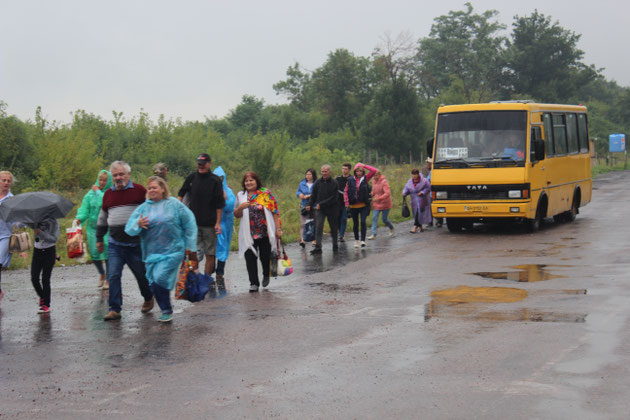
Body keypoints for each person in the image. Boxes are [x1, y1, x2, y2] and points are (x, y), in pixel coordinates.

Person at [125, 176, 197, 323]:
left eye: (155, 187)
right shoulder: (143, 208)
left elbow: (189, 223)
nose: (151, 190)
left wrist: (190, 246)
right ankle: (166, 307)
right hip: (151, 253)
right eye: (149, 188)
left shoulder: (174, 205)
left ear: (162, 189)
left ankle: (166, 309)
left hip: (173, 250)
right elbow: (129, 229)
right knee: (153, 283)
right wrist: (137, 224)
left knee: (160, 278)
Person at [96, 161, 154, 321]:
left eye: (121, 174)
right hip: (115, 244)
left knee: (142, 275)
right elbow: (103, 217)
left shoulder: (139, 191)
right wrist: (99, 238)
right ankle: (115, 309)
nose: (118, 178)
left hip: (136, 244)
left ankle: (149, 297)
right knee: (113, 275)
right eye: (115, 175)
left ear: (128, 174)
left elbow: (151, 210)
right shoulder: (108, 194)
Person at [177, 153, 225, 278]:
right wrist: (178, 209)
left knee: (210, 254)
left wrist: (218, 223)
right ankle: (195, 278)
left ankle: (207, 279)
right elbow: (181, 192)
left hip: (210, 224)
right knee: (194, 254)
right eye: (199, 164)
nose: (201, 166)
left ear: (209, 164)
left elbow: (220, 204)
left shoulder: (215, 180)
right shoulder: (192, 178)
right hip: (193, 223)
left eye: (203, 164)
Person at [234, 172, 282, 292]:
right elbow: (236, 214)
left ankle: (266, 273)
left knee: (265, 257)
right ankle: (253, 283)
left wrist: (278, 229)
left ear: (256, 181)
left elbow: (274, 211)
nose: (248, 183)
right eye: (246, 181)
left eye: (251, 180)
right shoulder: (241, 195)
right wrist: (240, 207)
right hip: (248, 233)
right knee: (250, 258)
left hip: (265, 232)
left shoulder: (265, 193)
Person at [75, 170, 113, 289]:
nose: (102, 182)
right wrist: (79, 219)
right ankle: (102, 273)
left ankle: (109, 279)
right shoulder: (89, 194)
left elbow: (106, 202)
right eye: (100, 180)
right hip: (92, 228)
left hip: (107, 228)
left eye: (105, 180)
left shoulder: (111, 192)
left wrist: (97, 192)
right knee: (94, 254)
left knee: (107, 254)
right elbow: (84, 209)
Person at [28, 216, 59, 314]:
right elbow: (30, 225)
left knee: (45, 279)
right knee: (34, 278)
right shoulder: (36, 219)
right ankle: (42, 296)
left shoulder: (54, 221)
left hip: (49, 252)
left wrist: (40, 232)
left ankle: (46, 305)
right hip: (37, 251)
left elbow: (54, 239)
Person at [306, 164, 338, 254]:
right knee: (318, 227)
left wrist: (321, 204)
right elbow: (314, 195)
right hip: (320, 209)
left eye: (325, 171)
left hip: (332, 209)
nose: (323, 173)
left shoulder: (334, 183)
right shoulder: (318, 182)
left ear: (329, 172)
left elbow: (333, 198)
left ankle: (335, 245)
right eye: (322, 171)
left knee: (333, 228)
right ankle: (318, 247)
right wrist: (309, 204)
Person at [344, 162, 376, 248]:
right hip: (353, 205)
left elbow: (374, 171)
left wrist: (364, 165)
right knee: (355, 223)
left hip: (364, 205)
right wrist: (346, 202)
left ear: (363, 172)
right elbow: (345, 191)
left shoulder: (366, 178)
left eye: (361, 171)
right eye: (357, 171)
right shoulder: (350, 179)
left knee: (363, 221)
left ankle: (363, 240)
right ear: (354, 171)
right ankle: (356, 240)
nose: (359, 173)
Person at [213, 166, 235, 290]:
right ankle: (211, 269)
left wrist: (224, 197)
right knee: (214, 246)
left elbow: (230, 206)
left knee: (224, 246)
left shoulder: (228, 191)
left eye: (221, 178)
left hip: (226, 223)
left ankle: (220, 271)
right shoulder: (210, 190)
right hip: (214, 222)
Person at [0, 171, 16, 304]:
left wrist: (19, 223)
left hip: (5, 235)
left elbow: (20, 219)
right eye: (3, 180)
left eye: (8, 181)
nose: (6, 183)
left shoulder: (12, 199)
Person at [367, 169, 394, 239]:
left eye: (376, 175)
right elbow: (373, 191)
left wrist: (379, 198)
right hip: (376, 203)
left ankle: (391, 227)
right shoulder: (373, 182)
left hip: (385, 203)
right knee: (374, 218)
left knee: (384, 219)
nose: (375, 177)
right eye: (374, 175)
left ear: (379, 175)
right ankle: (374, 234)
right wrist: (371, 194)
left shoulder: (384, 182)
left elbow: (387, 193)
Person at [402, 168, 432, 233]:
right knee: (416, 213)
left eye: (416, 174)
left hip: (422, 199)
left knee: (419, 212)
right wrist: (404, 192)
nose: (414, 176)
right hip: (413, 200)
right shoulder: (410, 181)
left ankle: (415, 226)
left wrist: (422, 192)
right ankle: (420, 226)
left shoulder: (424, 181)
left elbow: (428, 188)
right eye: (413, 174)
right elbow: (406, 188)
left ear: (418, 174)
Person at [296, 169, 317, 248]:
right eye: (307, 174)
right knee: (303, 223)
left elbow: (318, 193)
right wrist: (300, 194)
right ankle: (302, 240)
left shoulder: (316, 183)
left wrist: (309, 196)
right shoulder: (302, 183)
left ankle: (314, 239)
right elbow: (297, 192)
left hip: (314, 206)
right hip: (304, 205)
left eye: (309, 174)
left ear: (313, 175)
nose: (308, 176)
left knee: (314, 223)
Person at [336, 163, 351, 242]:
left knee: (344, 218)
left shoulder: (351, 179)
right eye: (343, 168)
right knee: (338, 218)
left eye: (345, 169)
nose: (343, 170)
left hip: (347, 202)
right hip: (338, 202)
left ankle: (341, 235)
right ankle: (340, 233)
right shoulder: (338, 178)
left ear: (349, 170)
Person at [425, 157, 443, 228]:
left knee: (436, 206)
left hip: (435, 191)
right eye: (427, 162)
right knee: (429, 207)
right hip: (429, 192)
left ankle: (439, 221)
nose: (427, 164)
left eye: (429, 163)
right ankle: (430, 221)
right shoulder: (426, 170)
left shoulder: (435, 171)